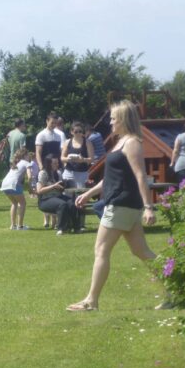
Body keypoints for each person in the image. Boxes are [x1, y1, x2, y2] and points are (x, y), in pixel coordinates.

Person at [67, 100, 159, 312]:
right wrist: (88, 193)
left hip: (121, 204)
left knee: (101, 250)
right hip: (123, 204)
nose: (110, 122)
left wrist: (148, 207)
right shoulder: (121, 142)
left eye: (113, 118)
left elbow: (140, 176)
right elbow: (110, 178)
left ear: (123, 120)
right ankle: (177, 285)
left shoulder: (132, 143)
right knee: (142, 251)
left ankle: (91, 301)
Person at [36, 156, 82, 235]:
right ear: (49, 164)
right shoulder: (43, 173)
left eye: (57, 163)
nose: (57, 165)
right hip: (45, 199)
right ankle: (61, 229)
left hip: (58, 196)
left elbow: (61, 187)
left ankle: (76, 227)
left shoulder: (58, 173)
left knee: (73, 203)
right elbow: (39, 191)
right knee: (62, 204)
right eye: (55, 163)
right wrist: (53, 186)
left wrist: (64, 185)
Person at [0, 148, 31, 230]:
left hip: (5, 184)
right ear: (24, 156)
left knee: (14, 203)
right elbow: (30, 176)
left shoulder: (17, 163)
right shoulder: (26, 163)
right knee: (23, 203)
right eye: (28, 155)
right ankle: (20, 226)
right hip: (14, 184)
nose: (29, 156)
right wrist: (30, 187)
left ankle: (13, 225)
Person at [61, 121, 95, 188]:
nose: (78, 133)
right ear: (72, 132)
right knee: (67, 192)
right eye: (76, 132)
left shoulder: (88, 142)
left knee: (81, 192)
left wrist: (83, 160)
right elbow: (62, 158)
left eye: (80, 131)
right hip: (69, 172)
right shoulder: (67, 142)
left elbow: (91, 159)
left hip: (82, 173)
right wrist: (68, 159)